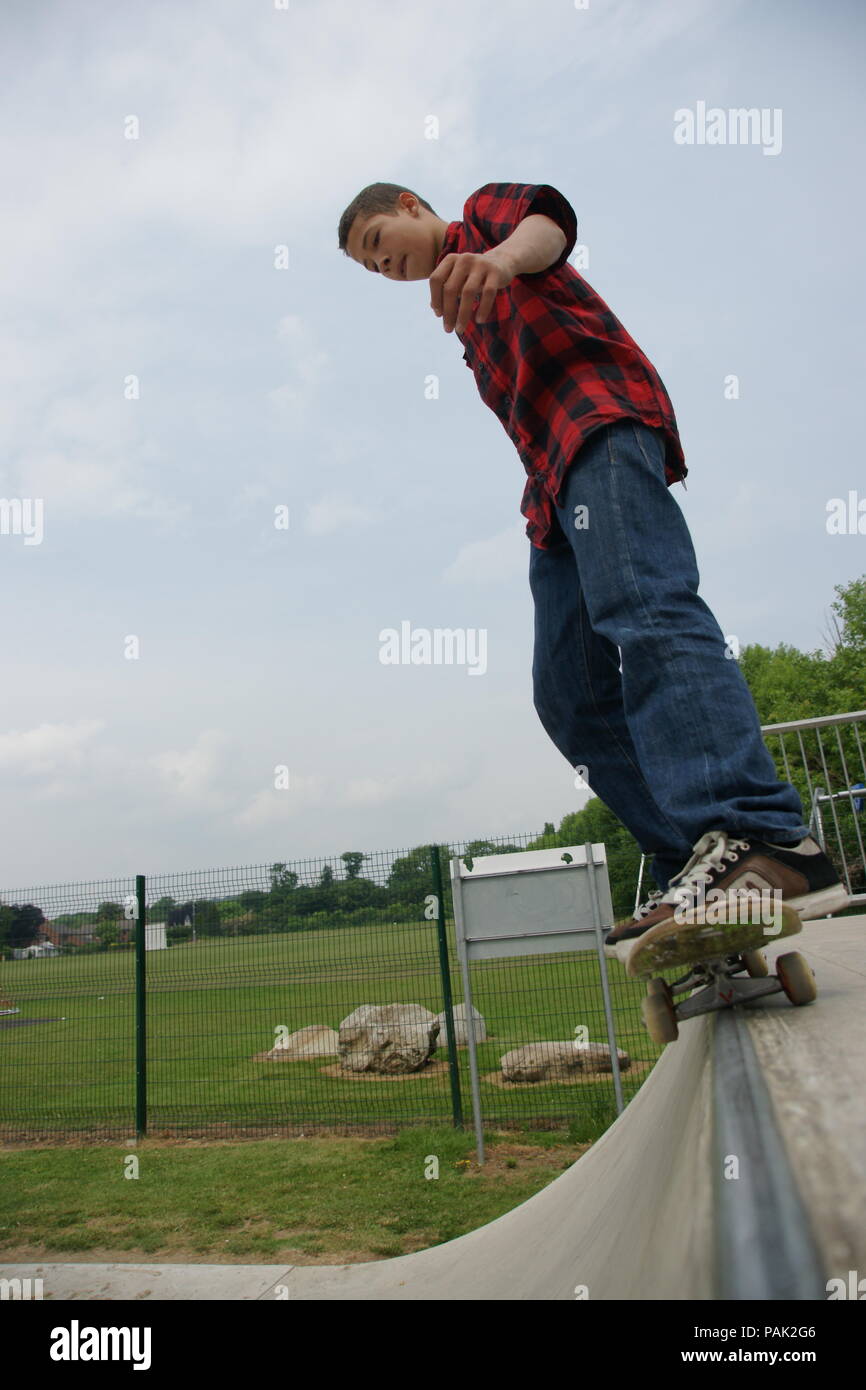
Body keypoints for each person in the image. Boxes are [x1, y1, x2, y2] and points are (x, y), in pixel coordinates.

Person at [338, 180, 848, 953]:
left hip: (602, 425)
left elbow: (552, 223)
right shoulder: (462, 323)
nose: (387, 270)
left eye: (381, 248)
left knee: (646, 612)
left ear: (409, 205)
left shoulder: (484, 223)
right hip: (552, 491)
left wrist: (502, 260)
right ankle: (694, 861)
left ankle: (764, 839)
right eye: (372, 272)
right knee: (568, 694)